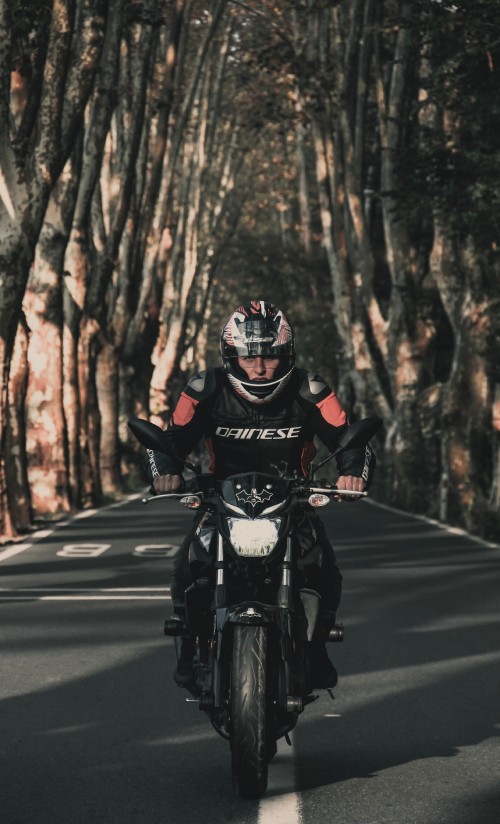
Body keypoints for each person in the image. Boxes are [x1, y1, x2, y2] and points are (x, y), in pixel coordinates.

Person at [147, 300, 375, 689]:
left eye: (270, 355)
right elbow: (169, 441)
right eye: (248, 356)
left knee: (324, 568)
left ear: (286, 353)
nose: (259, 366)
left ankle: (316, 648)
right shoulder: (204, 389)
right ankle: (189, 645)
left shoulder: (311, 388)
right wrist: (166, 475)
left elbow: (350, 441)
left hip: (293, 500)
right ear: (230, 355)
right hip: (221, 500)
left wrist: (352, 475)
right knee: (187, 565)